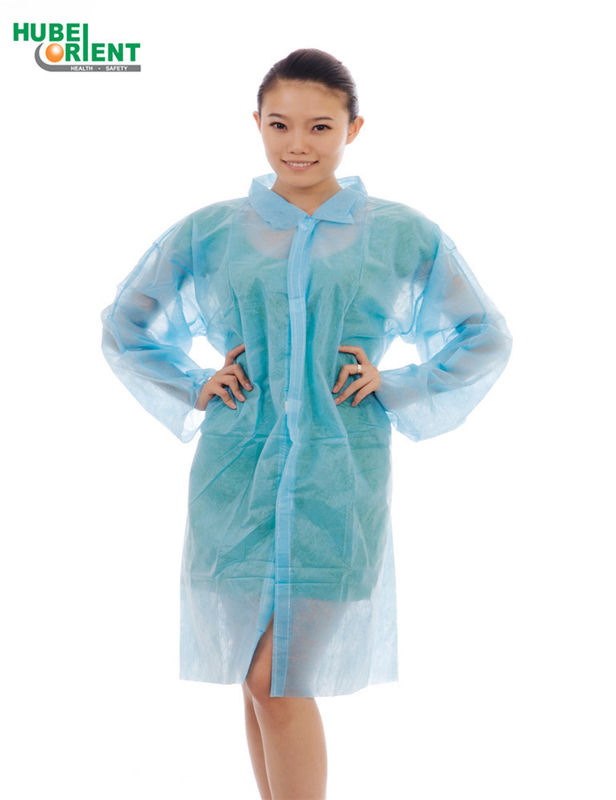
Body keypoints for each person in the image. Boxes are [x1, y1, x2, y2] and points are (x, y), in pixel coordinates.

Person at [100, 48, 512, 800]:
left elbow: (484, 334)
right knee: (257, 681)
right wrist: (195, 384)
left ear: (354, 129)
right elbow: (126, 324)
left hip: (339, 480)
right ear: (256, 124)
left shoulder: (402, 233)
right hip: (234, 476)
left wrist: (398, 383)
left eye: (320, 126)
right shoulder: (210, 231)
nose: (298, 143)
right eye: (280, 124)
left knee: (278, 678)